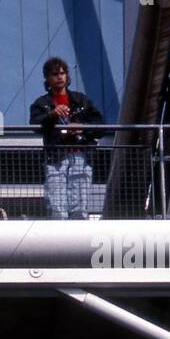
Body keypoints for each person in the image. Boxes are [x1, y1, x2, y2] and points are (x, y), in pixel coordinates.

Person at [29, 57, 103, 220]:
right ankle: (57, 242)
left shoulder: (81, 100)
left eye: (62, 73)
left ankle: (78, 242)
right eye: (55, 74)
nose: (60, 77)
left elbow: (100, 124)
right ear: (47, 78)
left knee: (79, 206)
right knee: (57, 206)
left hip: (80, 154)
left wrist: (82, 127)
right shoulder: (42, 104)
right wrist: (52, 115)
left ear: (67, 76)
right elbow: (35, 124)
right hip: (56, 156)